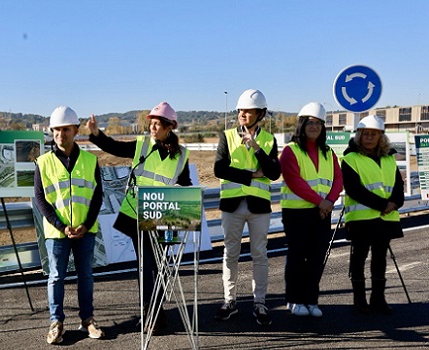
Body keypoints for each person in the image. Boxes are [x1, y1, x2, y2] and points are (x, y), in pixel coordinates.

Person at [87, 101, 192, 333]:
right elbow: (114, 147)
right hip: (138, 213)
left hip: (167, 215)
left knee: (162, 266)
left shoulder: (181, 155)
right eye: (151, 124)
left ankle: (157, 309)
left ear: (169, 127)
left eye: (157, 124)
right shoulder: (142, 146)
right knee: (146, 265)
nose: (152, 128)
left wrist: (188, 201)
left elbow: (186, 185)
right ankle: (150, 311)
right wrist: (96, 134)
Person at [34, 106, 105, 344]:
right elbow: (41, 199)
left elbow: (97, 196)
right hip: (57, 232)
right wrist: (60, 225)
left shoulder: (90, 161)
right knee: (56, 277)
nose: (60, 134)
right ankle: (56, 323)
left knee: (86, 276)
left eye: (65, 129)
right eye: (56, 130)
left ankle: (88, 320)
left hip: (85, 230)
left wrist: (86, 224)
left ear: (75, 130)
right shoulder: (43, 163)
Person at [213, 89, 281, 326]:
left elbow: (273, 173)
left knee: (259, 255)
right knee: (230, 253)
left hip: (259, 207)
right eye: (240, 110)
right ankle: (229, 301)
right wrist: (252, 175)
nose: (243, 113)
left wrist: (256, 148)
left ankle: (260, 303)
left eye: (248, 110)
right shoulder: (227, 136)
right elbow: (219, 169)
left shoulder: (269, 140)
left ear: (260, 113)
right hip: (231, 206)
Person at [279, 102, 343, 317]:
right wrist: (321, 202)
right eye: (310, 122)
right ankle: (294, 300)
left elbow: (338, 179)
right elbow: (294, 181)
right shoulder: (290, 151)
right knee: (297, 257)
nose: (314, 126)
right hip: (297, 213)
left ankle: (311, 300)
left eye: (319, 123)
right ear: (302, 124)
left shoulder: (328, 152)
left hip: (322, 213)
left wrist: (330, 202)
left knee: (317, 258)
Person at [341, 115, 404, 315]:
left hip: (385, 219)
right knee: (358, 258)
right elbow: (354, 189)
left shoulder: (389, 158)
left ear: (381, 137)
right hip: (361, 220)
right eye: (365, 134)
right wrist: (382, 204)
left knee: (380, 259)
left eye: (374, 134)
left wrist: (395, 203)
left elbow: (398, 187)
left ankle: (378, 299)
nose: (369, 137)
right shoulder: (350, 158)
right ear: (359, 135)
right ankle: (359, 300)